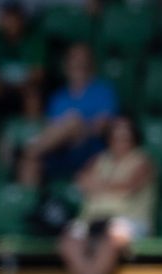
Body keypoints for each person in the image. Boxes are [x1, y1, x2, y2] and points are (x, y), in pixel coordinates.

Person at [59, 116, 155, 274]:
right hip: (92, 219)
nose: (120, 142)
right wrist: (106, 187)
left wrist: (97, 186)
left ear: (134, 139)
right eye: (116, 137)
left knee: (111, 238)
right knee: (69, 241)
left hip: (129, 220)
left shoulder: (143, 160)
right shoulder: (99, 159)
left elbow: (128, 187)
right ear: (109, 139)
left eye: (125, 138)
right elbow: (80, 181)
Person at [17, 43, 117, 187]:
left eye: (83, 59)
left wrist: (75, 128)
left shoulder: (104, 91)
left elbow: (101, 127)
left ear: (91, 63)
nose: (79, 63)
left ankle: (27, 150)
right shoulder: (58, 97)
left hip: (88, 148)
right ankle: (29, 205)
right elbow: (50, 129)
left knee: (73, 120)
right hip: (59, 149)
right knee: (30, 163)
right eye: (74, 58)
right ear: (67, 64)